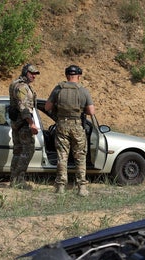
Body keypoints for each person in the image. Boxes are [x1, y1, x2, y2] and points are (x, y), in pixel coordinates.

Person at [44, 65, 96, 196]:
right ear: (79, 76)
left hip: (61, 125)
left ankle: (61, 186)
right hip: (77, 126)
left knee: (62, 156)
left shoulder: (58, 89)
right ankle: (82, 188)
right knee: (80, 156)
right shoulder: (83, 91)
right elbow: (91, 111)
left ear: (66, 76)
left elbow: (47, 106)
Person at [9, 64, 40, 189]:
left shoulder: (15, 84)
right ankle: (19, 180)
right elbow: (23, 107)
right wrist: (31, 123)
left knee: (18, 151)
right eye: (31, 73)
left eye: (35, 74)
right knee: (28, 150)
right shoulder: (22, 87)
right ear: (25, 72)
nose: (33, 76)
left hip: (17, 123)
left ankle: (13, 179)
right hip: (23, 123)